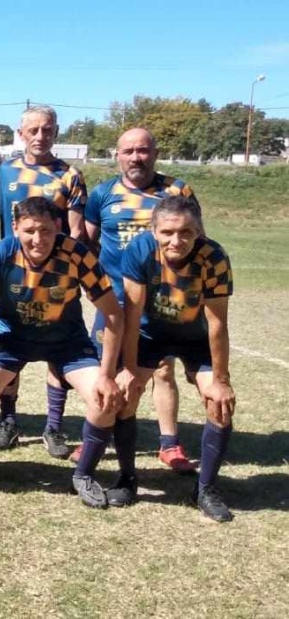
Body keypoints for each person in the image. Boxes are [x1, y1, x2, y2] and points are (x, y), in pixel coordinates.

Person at [0, 197, 124, 508]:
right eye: (30, 230)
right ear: (15, 227)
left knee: (104, 399)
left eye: (46, 230)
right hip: (11, 339)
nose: (38, 239)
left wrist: (107, 374)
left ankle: (83, 475)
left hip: (67, 342)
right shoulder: (2, 253)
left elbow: (113, 314)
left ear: (58, 227)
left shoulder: (76, 254)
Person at [84, 128, 199, 473]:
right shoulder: (103, 193)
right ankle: (96, 438)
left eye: (143, 150)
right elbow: (88, 245)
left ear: (155, 152)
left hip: (163, 301)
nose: (136, 157)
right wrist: (97, 289)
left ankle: (169, 443)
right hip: (115, 301)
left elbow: (196, 241)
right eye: (129, 151)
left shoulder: (177, 191)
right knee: (105, 370)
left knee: (162, 369)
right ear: (117, 155)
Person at [115, 196, 236, 521]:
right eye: (167, 232)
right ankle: (127, 477)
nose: (176, 240)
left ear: (198, 231)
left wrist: (221, 381)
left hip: (196, 338)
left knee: (220, 405)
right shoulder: (139, 250)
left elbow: (217, 323)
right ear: (154, 230)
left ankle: (206, 489)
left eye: (185, 232)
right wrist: (127, 369)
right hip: (150, 334)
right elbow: (131, 315)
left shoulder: (214, 257)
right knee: (125, 398)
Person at [0, 105, 88, 458]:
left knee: (55, 351)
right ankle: (9, 422)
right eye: (33, 130)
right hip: (13, 274)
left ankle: (54, 427)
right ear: (21, 133)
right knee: (10, 348)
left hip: (57, 279)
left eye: (47, 130)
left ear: (56, 132)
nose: (40, 136)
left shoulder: (70, 176)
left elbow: (76, 231)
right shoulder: (4, 171)